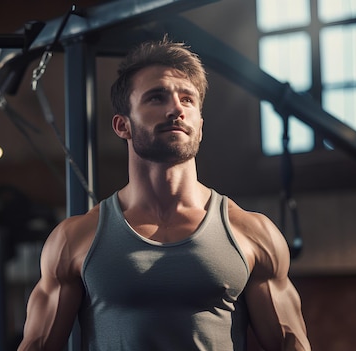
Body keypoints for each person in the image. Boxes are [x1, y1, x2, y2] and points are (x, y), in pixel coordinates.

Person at [17, 36, 311, 351]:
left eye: (188, 99)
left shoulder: (252, 233)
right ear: (122, 125)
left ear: (200, 124)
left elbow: (289, 344)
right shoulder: (74, 239)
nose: (176, 109)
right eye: (156, 98)